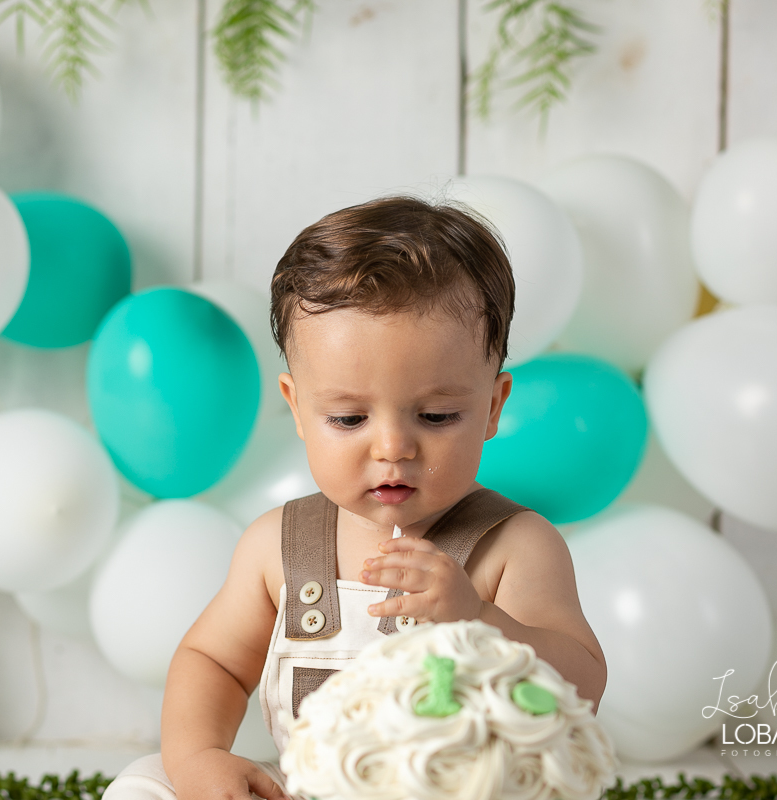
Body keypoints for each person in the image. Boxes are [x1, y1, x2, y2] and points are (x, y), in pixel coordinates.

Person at [106, 195, 606, 800]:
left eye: (437, 414)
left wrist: (481, 621)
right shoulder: (277, 546)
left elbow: (581, 684)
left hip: (454, 790)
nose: (393, 447)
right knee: (143, 785)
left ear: (493, 407)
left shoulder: (514, 547)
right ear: (297, 407)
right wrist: (199, 757)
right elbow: (212, 660)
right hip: (309, 790)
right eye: (348, 419)